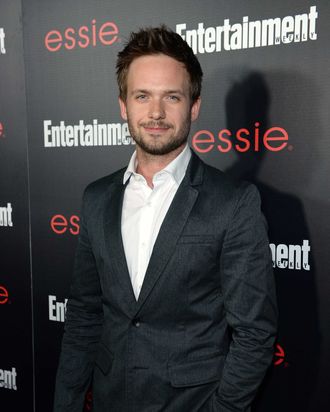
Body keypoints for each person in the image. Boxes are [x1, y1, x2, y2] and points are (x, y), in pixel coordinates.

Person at [54, 26, 277, 412]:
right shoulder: (97, 199)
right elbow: (84, 316)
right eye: (143, 96)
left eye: (171, 97)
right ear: (124, 106)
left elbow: (255, 333)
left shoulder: (234, 203)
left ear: (193, 106)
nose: (155, 113)